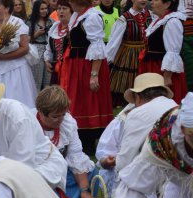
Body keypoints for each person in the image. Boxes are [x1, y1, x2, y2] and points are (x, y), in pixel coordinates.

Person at [60, 0, 113, 155]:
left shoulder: (92, 17)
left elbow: (97, 46)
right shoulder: (78, 15)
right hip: (76, 66)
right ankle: (80, 139)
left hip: (87, 66)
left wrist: (94, 75)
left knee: (89, 102)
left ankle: (89, 141)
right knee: (78, 101)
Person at [35, 85, 97, 198]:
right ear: (41, 112)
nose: (60, 119)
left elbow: (76, 156)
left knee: (91, 171)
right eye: (55, 116)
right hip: (38, 175)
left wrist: (84, 190)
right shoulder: (28, 124)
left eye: (63, 114)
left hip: (62, 171)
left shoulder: (68, 123)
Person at [0, 0, 38, 108]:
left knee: (16, 105)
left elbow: (24, 48)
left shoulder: (17, 23)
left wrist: (1, 57)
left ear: (6, 8)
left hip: (15, 71)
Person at [138, 0, 187, 104]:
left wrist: (167, 77)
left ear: (167, 4)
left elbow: (173, 51)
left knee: (163, 101)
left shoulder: (172, 21)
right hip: (153, 67)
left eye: (156, 0)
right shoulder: (159, 20)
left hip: (163, 69)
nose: (151, 2)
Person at [105, 0, 151, 106]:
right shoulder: (124, 18)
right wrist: (106, 61)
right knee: (128, 81)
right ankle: (128, 102)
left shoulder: (150, 15)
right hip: (129, 55)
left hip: (146, 54)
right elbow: (114, 42)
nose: (143, 0)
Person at [44, 0, 71, 84]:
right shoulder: (54, 28)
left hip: (70, 70)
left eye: (64, 8)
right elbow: (49, 47)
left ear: (71, 11)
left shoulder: (74, 28)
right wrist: (47, 60)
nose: (61, 11)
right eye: (59, 8)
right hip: (56, 69)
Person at [29, 0, 53, 89]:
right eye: (41, 9)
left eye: (46, 8)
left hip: (49, 51)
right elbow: (25, 40)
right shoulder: (30, 21)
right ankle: (36, 101)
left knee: (48, 81)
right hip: (36, 51)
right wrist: (36, 34)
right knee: (36, 81)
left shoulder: (51, 21)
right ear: (36, 10)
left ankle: (47, 102)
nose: (44, 11)